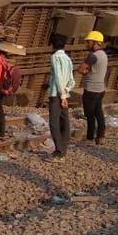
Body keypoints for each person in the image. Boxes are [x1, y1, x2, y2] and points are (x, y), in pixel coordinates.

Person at [47, 33, 74, 161]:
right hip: (64, 94)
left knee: (53, 123)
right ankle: (63, 148)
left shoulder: (55, 57)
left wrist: (62, 96)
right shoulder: (68, 59)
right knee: (64, 122)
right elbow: (71, 80)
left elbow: (58, 77)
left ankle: (59, 151)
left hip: (56, 94)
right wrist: (66, 92)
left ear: (52, 44)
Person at [79, 30, 108, 145]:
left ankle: (89, 139)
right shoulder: (104, 55)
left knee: (90, 115)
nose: (87, 43)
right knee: (99, 113)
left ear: (95, 42)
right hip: (101, 89)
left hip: (91, 89)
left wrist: (86, 72)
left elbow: (81, 69)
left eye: (89, 41)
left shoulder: (93, 56)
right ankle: (100, 137)